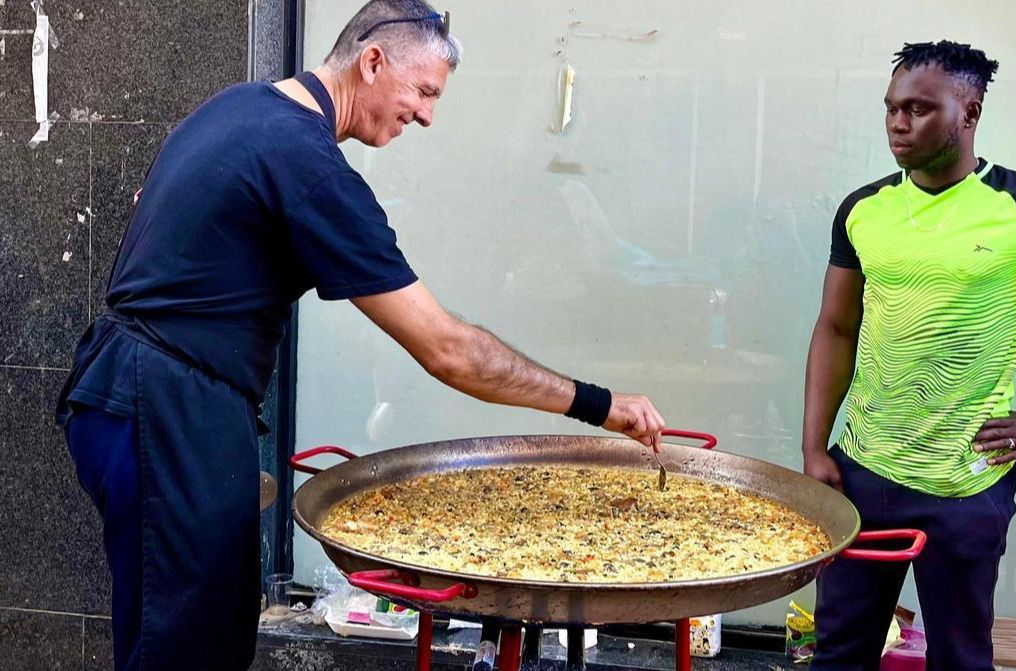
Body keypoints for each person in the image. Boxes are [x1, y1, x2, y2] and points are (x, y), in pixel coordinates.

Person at [55, 2, 664, 669]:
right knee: (181, 650)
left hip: (124, 389)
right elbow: (448, 350)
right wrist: (600, 404)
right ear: (372, 61)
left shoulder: (235, 109)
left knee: (183, 631)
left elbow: (153, 215)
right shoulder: (306, 163)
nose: (428, 114)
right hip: (167, 409)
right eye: (425, 91)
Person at [801, 40, 1016, 671]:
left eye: (918, 108)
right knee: (839, 654)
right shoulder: (863, 210)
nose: (898, 123)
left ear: (968, 112)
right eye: (891, 108)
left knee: (961, 659)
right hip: (861, 470)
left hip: (965, 483)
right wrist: (813, 447)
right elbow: (835, 328)